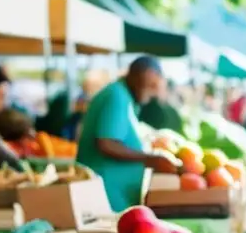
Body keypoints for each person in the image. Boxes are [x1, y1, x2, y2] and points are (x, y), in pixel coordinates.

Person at [76, 56, 180, 212]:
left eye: (153, 85)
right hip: (107, 197)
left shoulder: (124, 96)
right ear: (133, 76)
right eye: (147, 84)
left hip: (115, 196)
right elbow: (107, 143)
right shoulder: (116, 96)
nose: (150, 91)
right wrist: (150, 159)